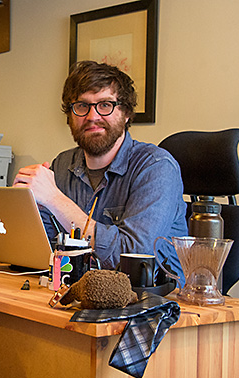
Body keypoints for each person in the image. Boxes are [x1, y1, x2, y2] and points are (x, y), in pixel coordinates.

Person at [13, 61, 187, 282]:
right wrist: (23, 212)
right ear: (70, 116)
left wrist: (54, 199)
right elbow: (45, 247)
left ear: (125, 113)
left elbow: (133, 258)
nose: (92, 116)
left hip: (151, 302)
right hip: (77, 290)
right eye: (82, 106)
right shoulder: (63, 164)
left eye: (105, 105)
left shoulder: (156, 167)